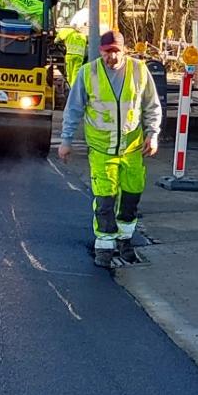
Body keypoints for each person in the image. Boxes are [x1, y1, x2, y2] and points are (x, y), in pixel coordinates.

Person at [58, 30, 163, 268]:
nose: (112, 57)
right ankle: (105, 244)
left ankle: (125, 239)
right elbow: (73, 109)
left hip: (132, 148)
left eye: (116, 51)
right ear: (100, 51)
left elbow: (151, 106)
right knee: (105, 199)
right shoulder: (88, 73)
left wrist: (152, 135)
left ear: (124, 50)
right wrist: (66, 141)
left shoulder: (139, 71)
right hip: (102, 149)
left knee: (130, 197)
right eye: (107, 52)